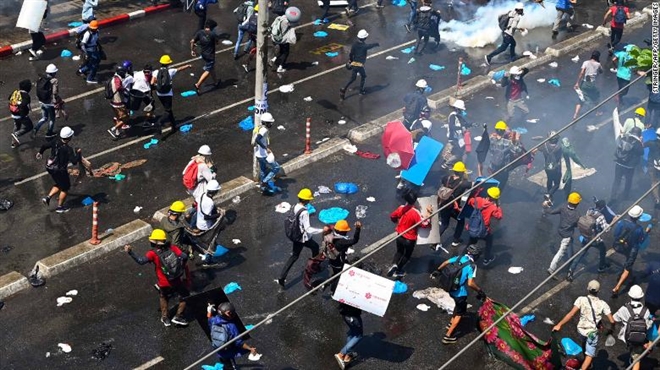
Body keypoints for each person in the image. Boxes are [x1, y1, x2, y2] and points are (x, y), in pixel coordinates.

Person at [124, 229, 190, 327]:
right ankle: (178, 316)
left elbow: (141, 261)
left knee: (164, 297)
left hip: (163, 283)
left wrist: (130, 252)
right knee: (184, 296)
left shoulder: (152, 253)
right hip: (176, 280)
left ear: (154, 242)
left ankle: (165, 318)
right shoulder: (172, 247)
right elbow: (184, 256)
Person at [553, 280, 615, 370]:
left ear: (588, 289)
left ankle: (585, 358)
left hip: (581, 331)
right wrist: (611, 329)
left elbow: (571, 314)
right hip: (592, 333)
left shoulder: (581, 299)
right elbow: (612, 321)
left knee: (584, 342)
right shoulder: (603, 304)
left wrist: (559, 324)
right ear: (599, 291)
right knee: (590, 355)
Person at [430, 244, 487, 344]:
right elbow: (470, 283)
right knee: (460, 313)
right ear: (476, 256)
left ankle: (451, 323)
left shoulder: (460, 258)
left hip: (450, 288)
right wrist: (479, 290)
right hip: (460, 293)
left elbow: (446, 262)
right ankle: (448, 336)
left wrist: (438, 270)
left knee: (457, 306)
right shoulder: (472, 266)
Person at [277, 188, 323, 288]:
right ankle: (314, 267)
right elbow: (308, 229)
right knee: (314, 247)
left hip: (295, 235)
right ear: (306, 200)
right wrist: (322, 230)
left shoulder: (294, 206)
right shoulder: (304, 212)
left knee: (295, 256)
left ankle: (282, 276)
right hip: (302, 237)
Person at [387, 191, 432, 278]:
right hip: (409, 239)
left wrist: (396, 221)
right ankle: (398, 270)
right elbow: (424, 224)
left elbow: (392, 216)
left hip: (400, 235)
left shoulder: (401, 208)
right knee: (407, 255)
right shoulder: (415, 212)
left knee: (399, 251)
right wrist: (429, 213)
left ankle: (394, 264)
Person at [36, 126, 81, 213]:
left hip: (50, 167)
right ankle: (60, 207)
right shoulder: (68, 149)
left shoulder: (55, 141)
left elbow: (45, 145)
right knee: (65, 188)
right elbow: (74, 161)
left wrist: (40, 152)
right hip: (60, 170)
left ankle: (48, 197)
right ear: (69, 138)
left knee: (59, 183)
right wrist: (78, 153)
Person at [567, 199, 613, 281]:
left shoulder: (589, 210)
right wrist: (614, 221)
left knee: (581, 254)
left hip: (586, 237)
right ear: (602, 208)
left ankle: (570, 271)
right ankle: (601, 266)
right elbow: (606, 229)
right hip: (595, 239)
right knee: (603, 250)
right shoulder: (601, 216)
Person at [612, 205, 649, 298]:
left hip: (620, 247)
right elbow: (640, 241)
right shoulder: (639, 229)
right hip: (631, 249)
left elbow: (615, 234)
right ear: (639, 217)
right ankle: (617, 287)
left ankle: (630, 274)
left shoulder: (621, 223)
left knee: (628, 259)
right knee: (627, 268)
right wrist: (646, 232)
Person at [613, 285, 653, 370]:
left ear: (630, 296)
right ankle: (634, 359)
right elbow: (648, 325)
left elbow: (614, 318)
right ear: (641, 297)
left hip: (627, 337)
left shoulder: (624, 308)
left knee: (632, 348)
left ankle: (632, 354)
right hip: (640, 337)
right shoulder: (646, 311)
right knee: (637, 359)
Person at [208, 302, 258, 369]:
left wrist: (209, 310)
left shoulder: (213, 320)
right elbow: (238, 343)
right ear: (229, 314)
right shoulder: (231, 326)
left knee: (226, 363)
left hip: (218, 349)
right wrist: (250, 348)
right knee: (232, 365)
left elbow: (209, 317)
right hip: (228, 351)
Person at [151, 55, 192, 135]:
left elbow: (152, 83)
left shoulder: (156, 72)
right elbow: (179, 69)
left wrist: (156, 86)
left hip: (159, 93)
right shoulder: (170, 71)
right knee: (168, 110)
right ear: (168, 64)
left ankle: (173, 125)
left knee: (168, 109)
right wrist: (187, 66)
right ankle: (159, 122)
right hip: (168, 94)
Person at [436, 161, 471, 251]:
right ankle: (456, 240)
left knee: (444, 224)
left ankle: (434, 241)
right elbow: (475, 185)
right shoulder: (463, 183)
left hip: (444, 205)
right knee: (461, 221)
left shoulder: (446, 178)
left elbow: (442, 183)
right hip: (454, 208)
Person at [545, 192, 581, 275]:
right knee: (560, 253)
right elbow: (576, 225)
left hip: (560, 231)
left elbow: (552, 212)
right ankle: (551, 268)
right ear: (577, 203)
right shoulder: (577, 214)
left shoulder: (563, 207)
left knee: (570, 244)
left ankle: (571, 257)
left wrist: (546, 207)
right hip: (567, 235)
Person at [466, 187, 502, 265]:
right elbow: (499, 216)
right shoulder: (493, 207)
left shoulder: (478, 200)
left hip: (473, 227)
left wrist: (477, 192)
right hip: (483, 230)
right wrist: (498, 206)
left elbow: (470, 201)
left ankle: (466, 256)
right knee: (489, 241)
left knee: (472, 240)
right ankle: (486, 259)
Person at [340, 29, 379, 100]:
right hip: (359, 65)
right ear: (364, 38)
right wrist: (377, 44)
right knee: (363, 76)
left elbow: (351, 54)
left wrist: (351, 61)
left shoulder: (354, 44)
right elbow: (370, 46)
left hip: (354, 64)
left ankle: (344, 89)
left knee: (353, 79)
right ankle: (361, 91)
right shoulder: (364, 46)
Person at [324, 220, 362, 294]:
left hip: (332, 260)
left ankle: (326, 283)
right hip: (339, 262)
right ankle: (333, 290)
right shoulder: (342, 242)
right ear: (343, 232)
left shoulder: (331, 235)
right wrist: (358, 229)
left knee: (335, 273)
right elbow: (355, 240)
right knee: (340, 276)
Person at [610, 127, 643, 201]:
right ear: (639, 134)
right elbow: (641, 152)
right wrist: (641, 142)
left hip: (619, 163)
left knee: (617, 180)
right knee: (628, 181)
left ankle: (613, 196)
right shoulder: (637, 143)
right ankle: (625, 196)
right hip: (629, 166)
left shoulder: (624, 138)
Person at [488, 121, 523, 190]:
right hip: (503, 168)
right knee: (501, 184)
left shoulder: (491, 139)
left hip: (493, 166)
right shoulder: (507, 142)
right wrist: (517, 140)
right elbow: (518, 150)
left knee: (493, 182)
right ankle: (496, 196)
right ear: (504, 131)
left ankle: (490, 193)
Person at [252, 112, 281, 194]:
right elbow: (257, 139)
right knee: (276, 168)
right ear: (266, 122)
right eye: (270, 123)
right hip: (263, 155)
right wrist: (266, 148)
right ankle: (264, 182)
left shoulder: (259, 127)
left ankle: (263, 188)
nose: (271, 124)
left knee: (263, 170)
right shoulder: (264, 130)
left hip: (258, 154)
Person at [191, 19, 222, 94]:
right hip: (210, 55)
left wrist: (192, 50)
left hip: (203, 54)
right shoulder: (212, 34)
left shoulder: (200, 32)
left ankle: (216, 81)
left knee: (212, 68)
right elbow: (217, 43)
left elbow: (192, 41)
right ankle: (198, 84)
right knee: (208, 70)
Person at [573, 51, 603, 120]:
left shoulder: (586, 62)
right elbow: (601, 71)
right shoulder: (598, 64)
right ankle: (597, 112)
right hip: (591, 84)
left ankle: (575, 115)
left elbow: (582, 73)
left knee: (580, 99)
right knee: (596, 97)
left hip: (584, 84)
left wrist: (577, 82)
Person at [34, 64, 60, 138]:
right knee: (52, 118)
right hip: (49, 103)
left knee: (44, 118)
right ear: (54, 73)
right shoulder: (54, 80)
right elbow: (55, 92)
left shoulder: (42, 78)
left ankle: (36, 129)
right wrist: (56, 100)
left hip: (41, 101)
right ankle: (49, 133)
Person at [335, 300, 363, 369]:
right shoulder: (359, 292)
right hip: (353, 316)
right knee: (358, 335)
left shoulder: (346, 289)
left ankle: (347, 355)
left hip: (344, 313)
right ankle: (341, 354)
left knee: (353, 332)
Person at [537, 131, 563, 206]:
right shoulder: (559, 148)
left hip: (547, 167)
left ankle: (550, 197)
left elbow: (539, 148)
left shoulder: (544, 146)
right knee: (557, 184)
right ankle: (549, 194)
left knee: (550, 180)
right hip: (556, 168)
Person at [8, 79, 33, 149]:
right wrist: (23, 115)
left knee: (17, 126)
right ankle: (17, 134)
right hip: (21, 115)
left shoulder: (15, 92)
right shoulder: (26, 95)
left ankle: (13, 143)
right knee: (29, 126)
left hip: (13, 113)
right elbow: (24, 104)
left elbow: (9, 98)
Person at [107, 66, 130, 139]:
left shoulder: (113, 77)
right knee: (126, 117)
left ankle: (117, 133)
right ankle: (113, 129)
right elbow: (118, 87)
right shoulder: (117, 79)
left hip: (113, 101)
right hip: (118, 102)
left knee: (118, 118)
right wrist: (124, 89)